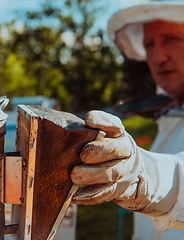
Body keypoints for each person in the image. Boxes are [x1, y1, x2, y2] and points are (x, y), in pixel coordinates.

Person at [69, 2, 184, 240]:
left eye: (172, 39)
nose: (158, 57)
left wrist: (140, 172)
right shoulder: (170, 118)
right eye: (149, 45)